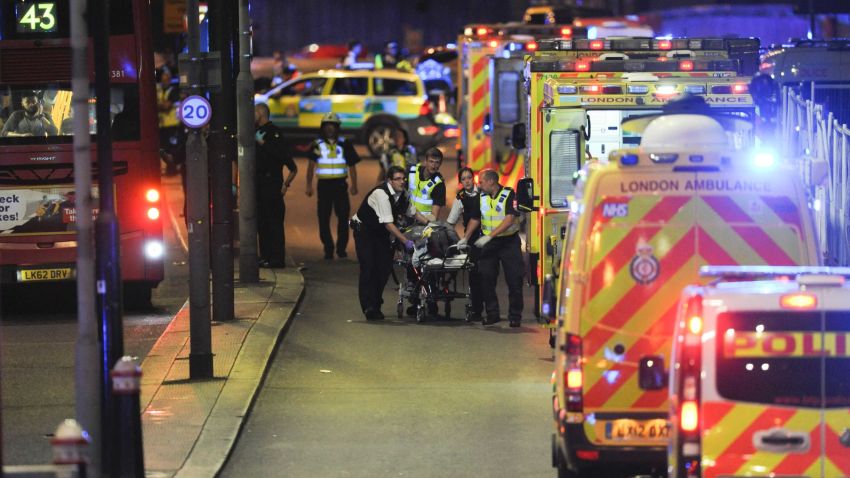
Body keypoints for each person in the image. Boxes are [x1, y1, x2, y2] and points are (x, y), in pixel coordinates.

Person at [352, 165, 429, 320]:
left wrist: (430, 224)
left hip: (380, 232)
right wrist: (405, 241)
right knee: (369, 266)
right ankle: (369, 307)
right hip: (364, 231)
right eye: (398, 179)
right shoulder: (381, 194)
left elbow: (413, 213)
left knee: (384, 267)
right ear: (389, 181)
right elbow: (388, 223)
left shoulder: (402, 195)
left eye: (403, 179)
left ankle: (375, 302)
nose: (402, 182)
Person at [466, 169, 523, 327]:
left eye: (481, 182)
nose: (479, 185)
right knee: (486, 277)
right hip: (490, 244)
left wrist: (489, 236)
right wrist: (465, 238)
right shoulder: (482, 197)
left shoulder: (509, 195)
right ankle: (492, 314)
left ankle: (515, 316)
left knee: (514, 279)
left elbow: (509, 220)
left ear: (491, 181)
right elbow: (476, 218)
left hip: (508, 242)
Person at [305, 112, 360, 260]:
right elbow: (310, 166)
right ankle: (328, 249)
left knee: (343, 218)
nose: (330, 129)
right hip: (323, 186)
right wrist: (308, 185)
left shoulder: (344, 143)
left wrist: (354, 185)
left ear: (337, 127)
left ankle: (341, 249)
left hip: (340, 185)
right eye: (327, 125)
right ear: (323, 128)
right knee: (323, 218)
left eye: (333, 125)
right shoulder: (317, 144)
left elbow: (352, 165)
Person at [255, 103, 297, 268]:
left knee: (274, 224)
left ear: (261, 113)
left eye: (254, 112)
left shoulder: (274, 133)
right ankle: (265, 256)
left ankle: (277, 259)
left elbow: (287, 162)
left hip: (272, 184)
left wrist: (286, 184)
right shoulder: (254, 132)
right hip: (258, 185)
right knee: (261, 223)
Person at [404, 147, 444, 316]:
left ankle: (431, 299)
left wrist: (420, 219)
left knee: (427, 263)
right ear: (425, 161)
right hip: (406, 224)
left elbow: (434, 216)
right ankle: (414, 299)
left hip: (425, 227)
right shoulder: (411, 172)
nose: (434, 165)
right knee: (410, 264)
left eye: (437, 163)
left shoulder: (438, 184)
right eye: (431, 161)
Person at [447, 167, 484, 320]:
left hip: (487, 235)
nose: (467, 181)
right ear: (460, 182)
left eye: (469, 177)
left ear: (473, 179)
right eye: (464, 179)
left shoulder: (483, 193)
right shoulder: (460, 197)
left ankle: (490, 309)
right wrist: (456, 240)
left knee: (486, 275)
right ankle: (477, 310)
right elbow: (451, 222)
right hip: (472, 239)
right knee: (474, 274)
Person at [156, 67, 182, 175]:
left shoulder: (174, 91)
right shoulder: (158, 89)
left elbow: (166, 106)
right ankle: (169, 168)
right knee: (162, 149)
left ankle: (172, 169)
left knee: (171, 150)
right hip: (161, 125)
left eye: (168, 76)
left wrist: (158, 105)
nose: (166, 78)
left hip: (173, 125)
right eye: (164, 76)